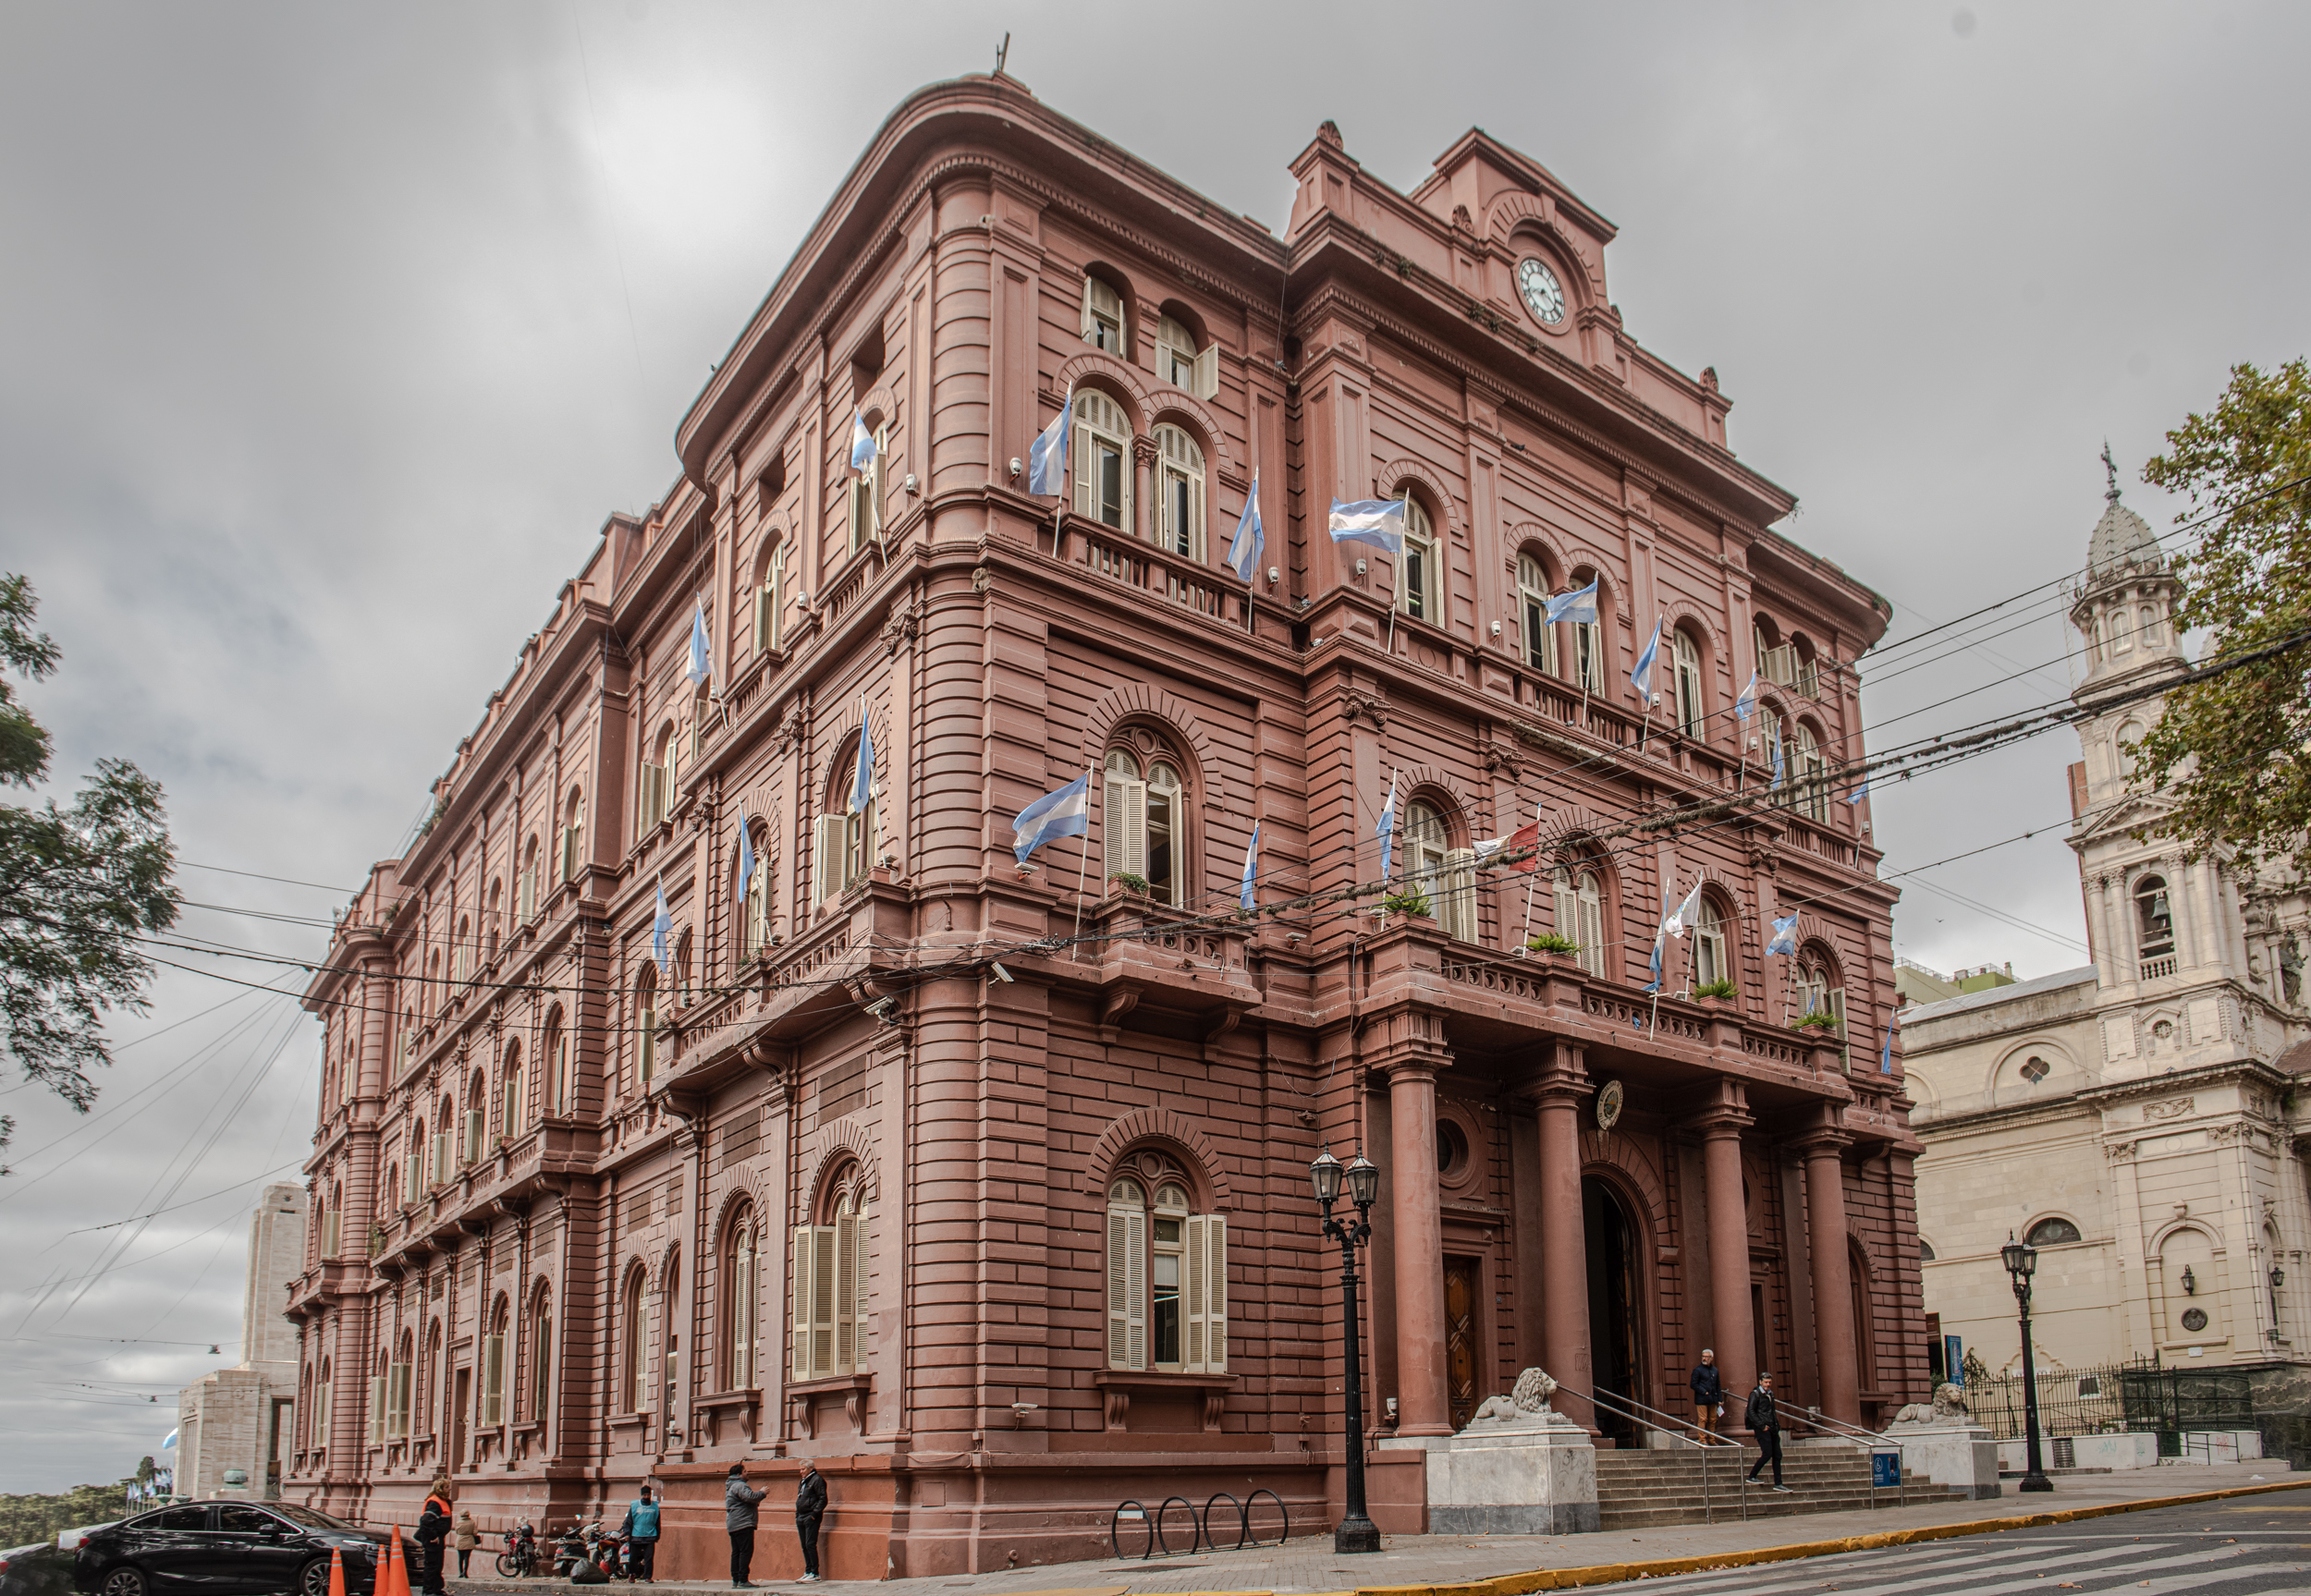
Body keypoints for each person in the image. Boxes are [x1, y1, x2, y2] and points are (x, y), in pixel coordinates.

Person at [1744, 1373, 1792, 1492]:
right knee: (1767, 1453)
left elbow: (1771, 1411)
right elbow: (1750, 1411)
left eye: (1769, 1382)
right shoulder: (1755, 1394)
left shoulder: (1770, 1394)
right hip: (1763, 1429)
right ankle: (1752, 1476)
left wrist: (1776, 1425)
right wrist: (1761, 1426)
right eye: (1766, 1382)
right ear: (1760, 1382)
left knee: (1777, 1455)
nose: (1768, 1385)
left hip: (1772, 1428)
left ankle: (1778, 1483)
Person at [726, 1463, 766, 1588]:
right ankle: (743, 1579)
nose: (747, 1473)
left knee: (736, 1552)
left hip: (734, 1523)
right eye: (745, 1471)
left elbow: (743, 1501)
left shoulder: (731, 1486)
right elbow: (750, 1497)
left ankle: (736, 1579)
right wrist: (762, 1493)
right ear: (738, 1474)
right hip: (743, 1523)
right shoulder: (740, 1485)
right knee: (745, 1551)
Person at [416, 1479, 454, 1594]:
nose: (450, 1489)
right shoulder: (434, 1502)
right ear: (440, 1489)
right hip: (432, 1538)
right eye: (447, 1487)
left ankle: (436, 1589)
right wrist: (433, 1536)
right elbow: (427, 1521)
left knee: (437, 1564)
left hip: (437, 1537)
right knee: (432, 1565)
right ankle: (428, 1591)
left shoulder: (442, 1501)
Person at [794, 1460, 826, 1583]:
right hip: (801, 1516)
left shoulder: (817, 1480)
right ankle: (808, 1571)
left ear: (810, 1468)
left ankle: (815, 1573)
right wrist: (797, 1515)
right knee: (804, 1545)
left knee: (810, 1544)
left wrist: (814, 1514)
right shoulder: (804, 1481)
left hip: (810, 1517)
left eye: (803, 1469)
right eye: (800, 1469)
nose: (800, 1471)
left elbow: (823, 1499)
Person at [620, 1487, 662, 1583]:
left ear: (650, 1495)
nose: (646, 1497)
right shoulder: (635, 1506)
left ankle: (648, 1577)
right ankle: (632, 1575)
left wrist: (657, 1535)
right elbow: (628, 1521)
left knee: (649, 1558)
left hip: (650, 1536)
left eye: (648, 1495)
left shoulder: (655, 1507)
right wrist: (627, 1534)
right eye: (644, 1495)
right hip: (636, 1536)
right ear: (642, 1495)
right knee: (633, 1557)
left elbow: (657, 1522)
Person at [1689, 1347, 1724, 1441]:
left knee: (1713, 1419)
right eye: (1703, 1356)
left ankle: (1711, 1439)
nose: (1704, 1358)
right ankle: (1702, 1439)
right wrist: (1704, 1391)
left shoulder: (1715, 1370)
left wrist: (1720, 1399)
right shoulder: (1697, 1370)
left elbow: (1718, 1385)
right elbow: (1693, 1384)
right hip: (1702, 1399)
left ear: (1711, 1358)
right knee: (1703, 1419)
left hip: (1713, 1398)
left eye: (1707, 1357)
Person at [454, 1510, 479, 1578]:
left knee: (460, 1558)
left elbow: (457, 1531)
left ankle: (460, 1572)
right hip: (469, 1540)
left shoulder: (458, 1523)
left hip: (460, 1540)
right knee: (466, 1557)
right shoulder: (472, 1522)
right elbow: (475, 1533)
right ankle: (465, 1572)